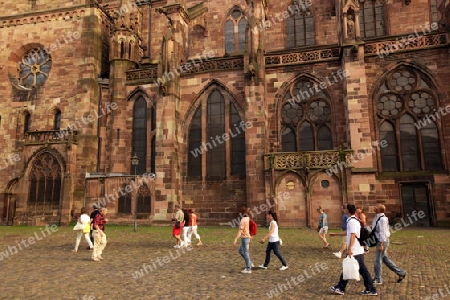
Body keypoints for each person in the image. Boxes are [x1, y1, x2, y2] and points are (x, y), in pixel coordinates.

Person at [329, 204, 377, 296]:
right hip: (357, 249)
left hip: (355, 250)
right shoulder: (353, 220)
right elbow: (348, 232)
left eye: (345, 209)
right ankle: (370, 289)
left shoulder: (352, 221)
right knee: (361, 270)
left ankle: (341, 287)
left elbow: (353, 235)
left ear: (347, 210)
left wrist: (350, 248)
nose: (343, 210)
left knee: (354, 269)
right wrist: (336, 234)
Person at [372, 204, 406, 285]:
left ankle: (378, 278)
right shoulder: (377, 217)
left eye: (376, 207)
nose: (374, 208)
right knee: (385, 259)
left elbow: (383, 232)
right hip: (379, 240)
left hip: (382, 241)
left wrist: (381, 244)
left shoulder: (382, 219)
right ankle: (401, 273)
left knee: (378, 260)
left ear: (379, 210)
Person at [233, 206, 252, 274]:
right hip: (246, 237)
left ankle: (248, 268)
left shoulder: (243, 220)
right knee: (240, 251)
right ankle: (249, 263)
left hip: (245, 238)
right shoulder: (247, 218)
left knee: (245, 253)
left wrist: (236, 239)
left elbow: (240, 231)